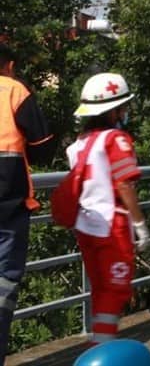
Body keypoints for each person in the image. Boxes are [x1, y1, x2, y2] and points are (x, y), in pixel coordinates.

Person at [69, 72, 150, 346]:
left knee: (100, 289)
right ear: (114, 110)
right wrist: (140, 225)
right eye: (123, 107)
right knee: (114, 292)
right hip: (111, 226)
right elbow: (125, 185)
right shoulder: (116, 140)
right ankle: (101, 353)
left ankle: (100, 347)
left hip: (84, 225)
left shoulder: (78, 144)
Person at [0, 43, 54, 365]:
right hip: (8, 208)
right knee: (3, 289)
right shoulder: (14, 91)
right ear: (8, 65)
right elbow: (43, 144)